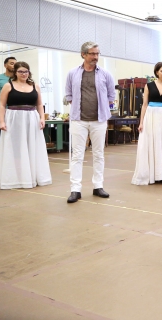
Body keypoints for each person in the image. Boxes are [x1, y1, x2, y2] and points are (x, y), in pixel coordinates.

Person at [65, 42, 115, 204]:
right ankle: (75, 189)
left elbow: (111, 95)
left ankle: (98, 186)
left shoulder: (105, 74)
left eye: (97, 54)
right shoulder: (72, 73)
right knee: (77, 155)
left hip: (99, 121)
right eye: (92, 54)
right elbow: (68, 94)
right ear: (83, 54)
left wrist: (102, 109)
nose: (95, 57)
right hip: (78, 120)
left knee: (98, 154)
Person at [0, 61, 52, 189]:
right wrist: (2, 121)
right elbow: (2, 105)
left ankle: (32, 176)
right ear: (15, 72)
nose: (23, 74)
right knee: (15, 149)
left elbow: (39, 104)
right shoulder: (8, 86)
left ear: (29, 72)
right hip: (13, 119)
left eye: (25, 71)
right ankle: (15, 178)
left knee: (32, 147)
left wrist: (42, 118)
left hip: (32, 118)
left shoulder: (35, 86)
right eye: (20, 71)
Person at [0, 56, 17, 154]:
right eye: (11, 63)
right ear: (5, 65)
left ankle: (12, 154)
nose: (14, 65)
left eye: (15, 63)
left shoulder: (17, 78)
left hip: (14, 111)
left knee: (13, 133)